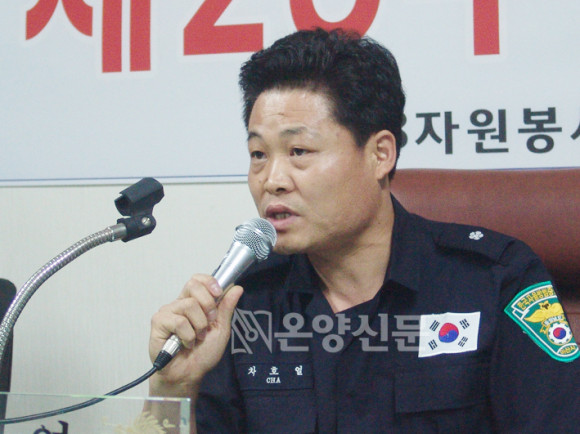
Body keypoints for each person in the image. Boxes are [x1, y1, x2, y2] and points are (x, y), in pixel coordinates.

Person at [148, 28, 579, 433]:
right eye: (258, 154)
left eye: (299, 151)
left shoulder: (493, 279)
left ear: (380, 154)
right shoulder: (243, 302)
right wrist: (172, 389)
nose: (272, 180)